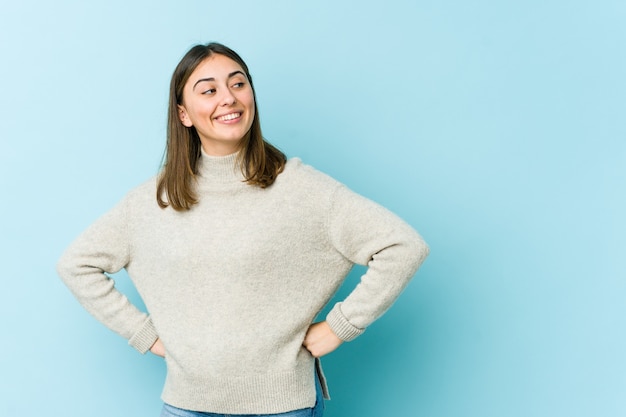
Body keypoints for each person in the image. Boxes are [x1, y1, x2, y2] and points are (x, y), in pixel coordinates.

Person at [57, 42, 429, 417]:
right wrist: (144, 334)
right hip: (187, 406)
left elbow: (403, 246)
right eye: (209, 90)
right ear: (183, 114)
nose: (229, 99)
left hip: (283, 407)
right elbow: (77, 264)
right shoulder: (152, 200)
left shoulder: (302, 189)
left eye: (238, 84)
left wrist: (340, 327)